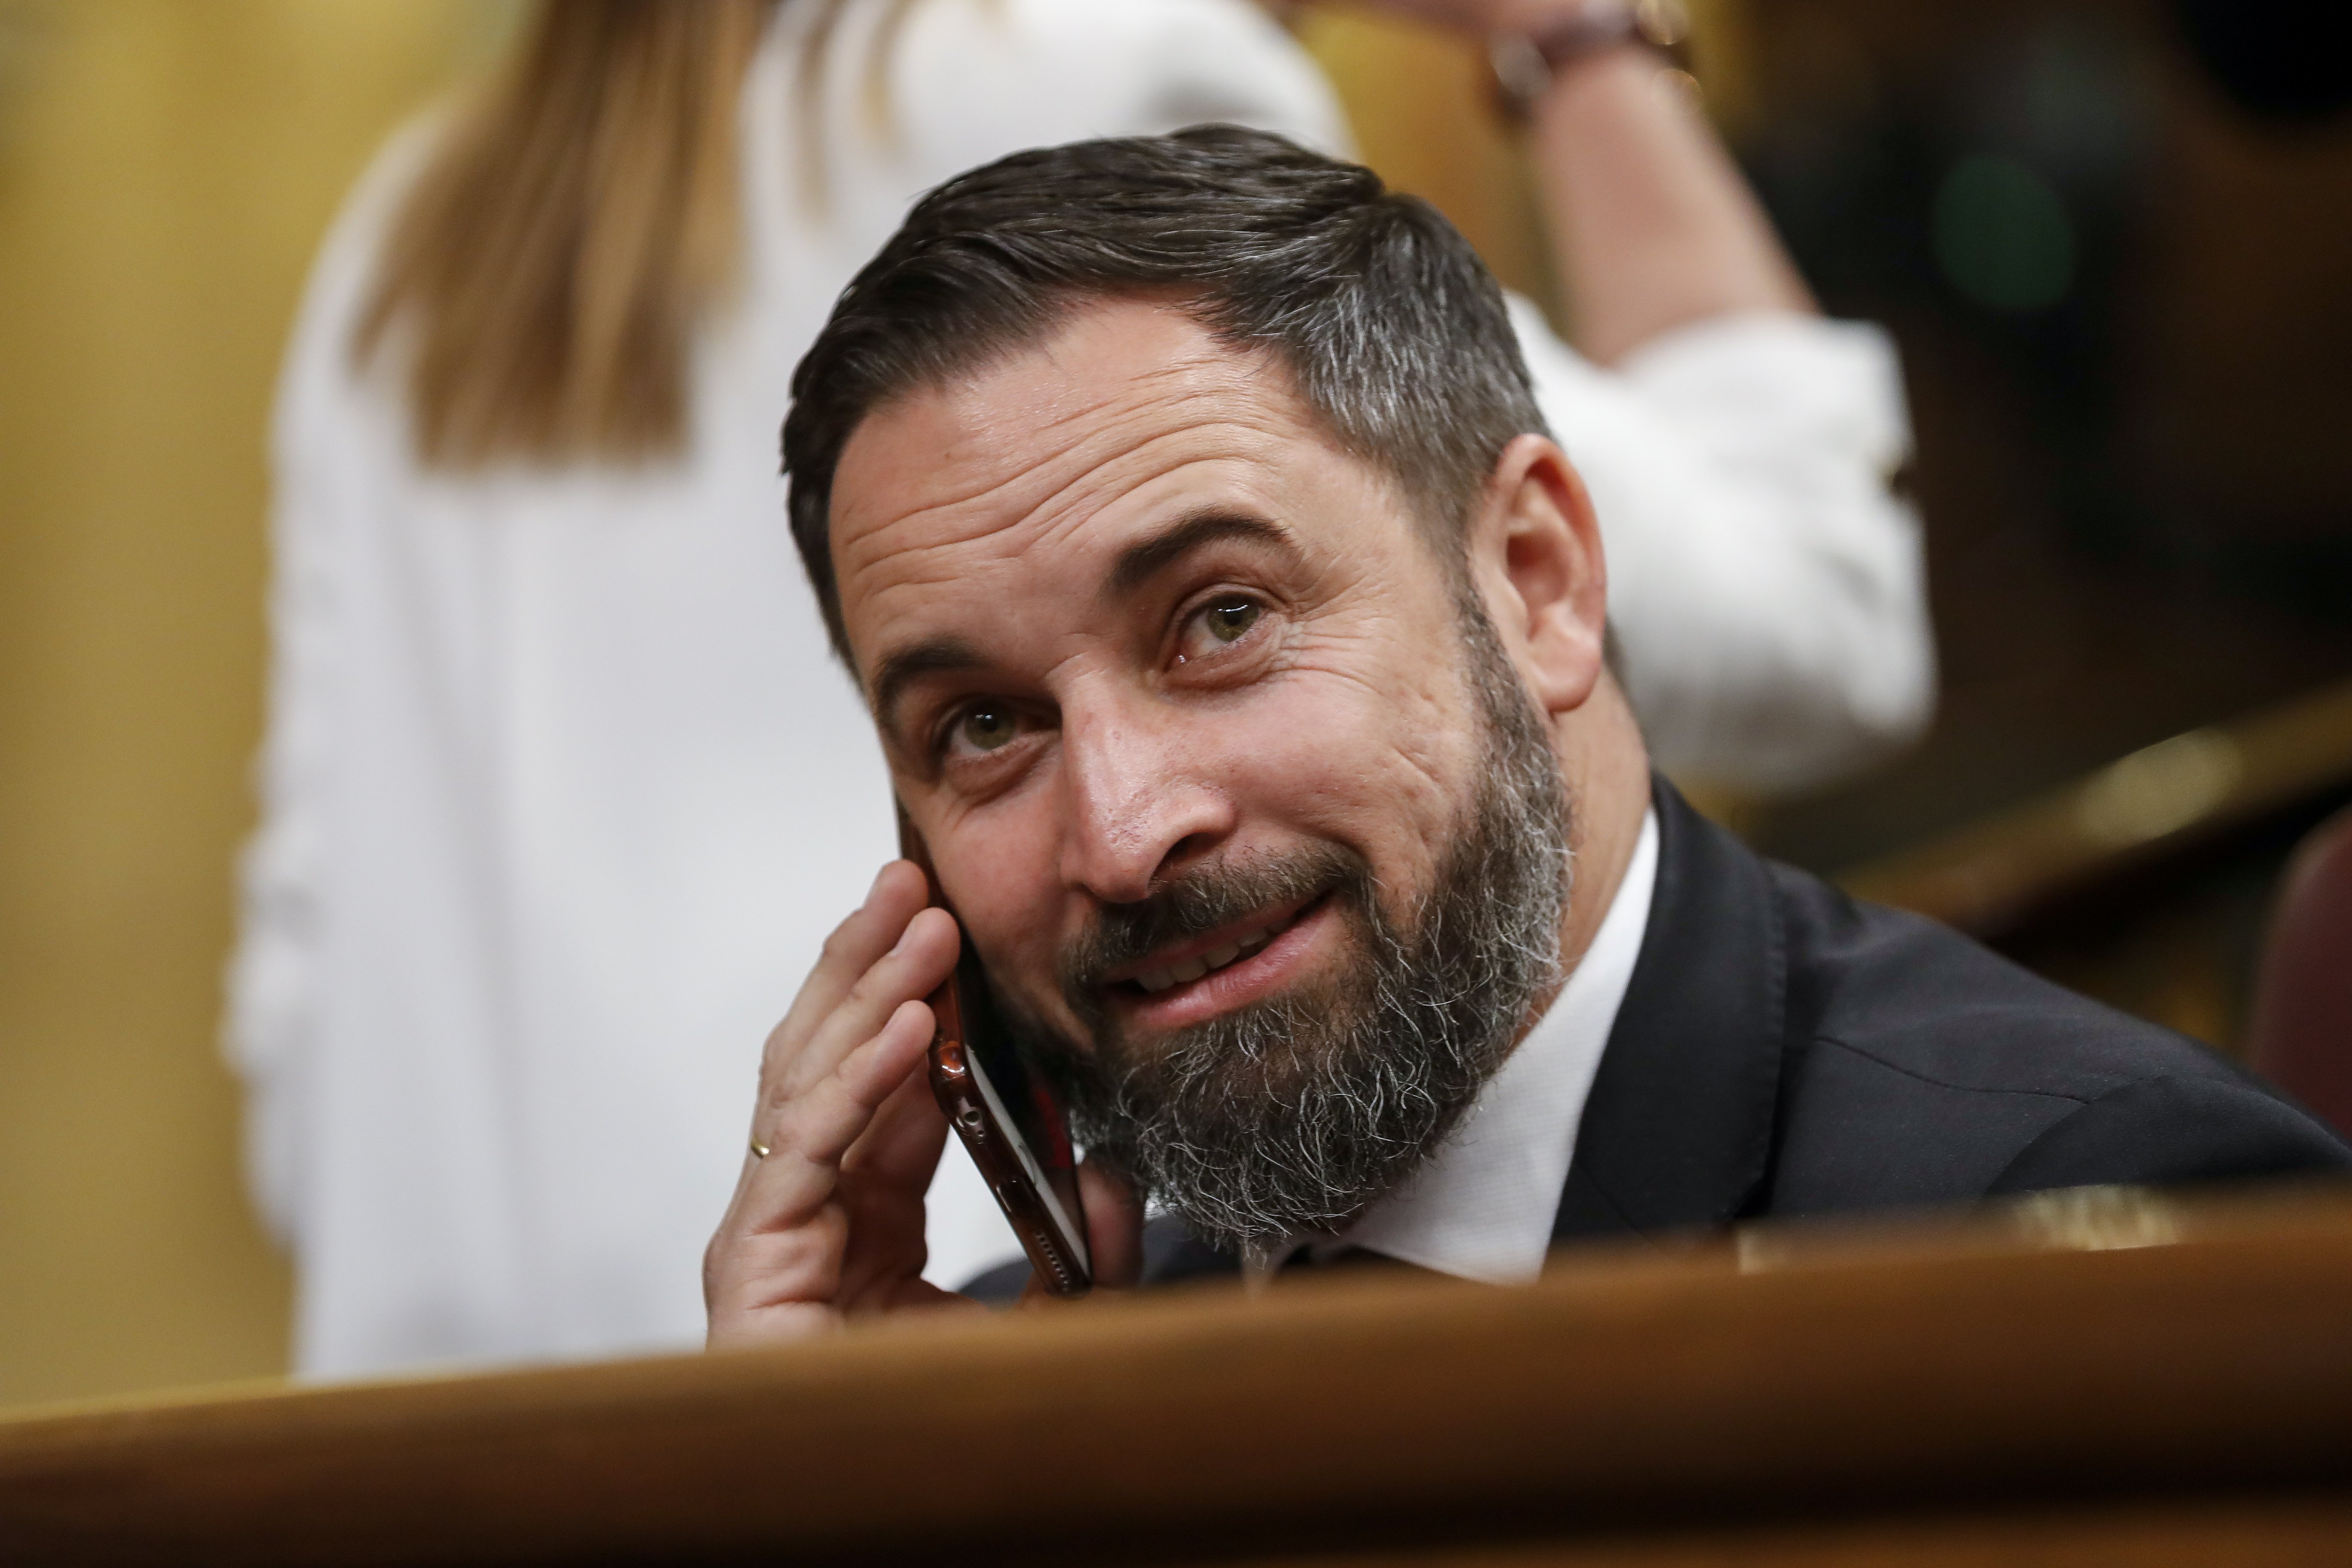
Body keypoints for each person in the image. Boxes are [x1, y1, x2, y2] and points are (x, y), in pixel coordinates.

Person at [234, 0, 1930, 1377]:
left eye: (1215, 622)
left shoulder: (400, 243)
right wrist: (1576, 44)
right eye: (978, 729)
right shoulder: (1096, 71)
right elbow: (1823, 621)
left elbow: (300, 1030)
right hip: (952, 1376)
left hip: (442, 1444)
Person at [702, 126, 2348, 1339]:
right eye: (985, 728)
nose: (1124, 834)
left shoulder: (2094, 1243)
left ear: (1541, 581)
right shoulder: (1014, 1378)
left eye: (1222, 622)